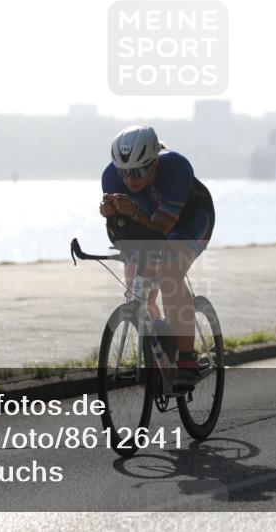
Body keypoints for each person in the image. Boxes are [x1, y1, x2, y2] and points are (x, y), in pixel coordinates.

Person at [99, 125, 215, 391]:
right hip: (149, 226)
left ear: (154, 162)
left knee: (169, 274)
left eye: (138, 171)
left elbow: (163, 228)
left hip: (191, 221)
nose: (130, 179)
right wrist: (111, 216)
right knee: (137, 288)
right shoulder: (110, 176)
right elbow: (126, 232)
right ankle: (162, 345)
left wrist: (136, 215)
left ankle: (187, 358)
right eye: (124, 172)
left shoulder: (175, 167)